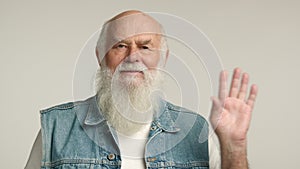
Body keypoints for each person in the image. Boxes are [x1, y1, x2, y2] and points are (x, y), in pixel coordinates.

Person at [25, 10, 258, 169]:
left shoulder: (195, 129)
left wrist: (234, 146)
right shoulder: (56, 127)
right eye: (120, 45)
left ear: (163, 57)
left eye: (145, 46)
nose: (133, 57)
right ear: (100, 56)